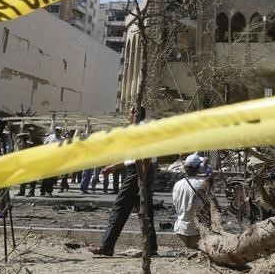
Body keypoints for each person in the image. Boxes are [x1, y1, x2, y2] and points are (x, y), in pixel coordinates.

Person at [90, 108, 157, 257]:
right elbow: (132, 158)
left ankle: (107, 246)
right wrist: (114, 166)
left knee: (120, 207)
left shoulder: (143, 130)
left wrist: (142, 177)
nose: (128, 116)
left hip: (140, 171)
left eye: (130, 113)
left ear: (136, 115)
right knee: (145, 208)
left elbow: (147, 155)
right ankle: (151, 246)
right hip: (139, 170)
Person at [172, 154, 211, 249]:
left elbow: (175, 203)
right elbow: (211, 204)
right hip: (198, 229)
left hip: (181, 229)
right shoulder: (204, 183)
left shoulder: (178, 184)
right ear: (198, 167)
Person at [39, 127, 63, 196]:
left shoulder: (62, 139)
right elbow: (44, 145)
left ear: (60, 132)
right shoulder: (50, 136)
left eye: (58, 131)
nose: (56, 132)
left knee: (52, 177)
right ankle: (42, 191)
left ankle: (49, 191)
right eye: (56, 130)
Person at [15, 132, 37, 197]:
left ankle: (31, 192)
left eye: (21, 137)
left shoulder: (29, 144)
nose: (19, 138)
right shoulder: (19, 144)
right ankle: (22, 191)